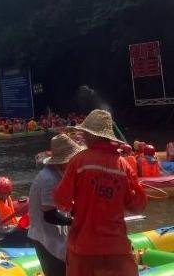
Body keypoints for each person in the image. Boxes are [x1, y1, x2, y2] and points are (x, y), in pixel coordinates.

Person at [54, 109, 147, 276]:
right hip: (116, 249)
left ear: (90, 135)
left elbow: (61, 201)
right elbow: (138, 205)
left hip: (83, 249)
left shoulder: (78, 161)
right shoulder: (123, 166)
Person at [28, 134, 84, 276]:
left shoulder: (57, 175)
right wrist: (74, 222)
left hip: (53, 236)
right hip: (45, 238)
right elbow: (50, 215)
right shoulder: (49, 179)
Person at [0, 176, 28, 247]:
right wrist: (17, 227)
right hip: (0, 239)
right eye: (0, 193)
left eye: (5, 193)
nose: (2, 196)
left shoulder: (8, 199)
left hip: (10, 232)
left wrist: (19, 225)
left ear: (9, 192)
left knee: (30, 230)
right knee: (27, 234)